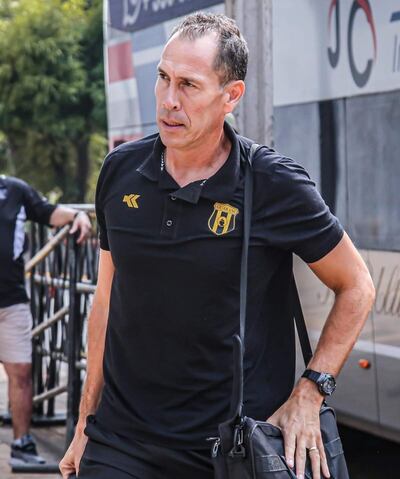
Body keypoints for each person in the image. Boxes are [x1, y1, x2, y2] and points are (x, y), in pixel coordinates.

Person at [60, 12, 375, 479]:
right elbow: (106, 301)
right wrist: (86, 421)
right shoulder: (120, 171)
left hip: (230, 450)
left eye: (188, 85)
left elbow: (357, 286)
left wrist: (311, 391)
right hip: (122, 443)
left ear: (231, 96)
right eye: (163, 78)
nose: (169, 100)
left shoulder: (272, 182)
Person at [0, 174, 91, 465]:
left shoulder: (14, 189)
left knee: (21, 373)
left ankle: (22, 445)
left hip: (11, 300)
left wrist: (77, 216)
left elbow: (47, 212)